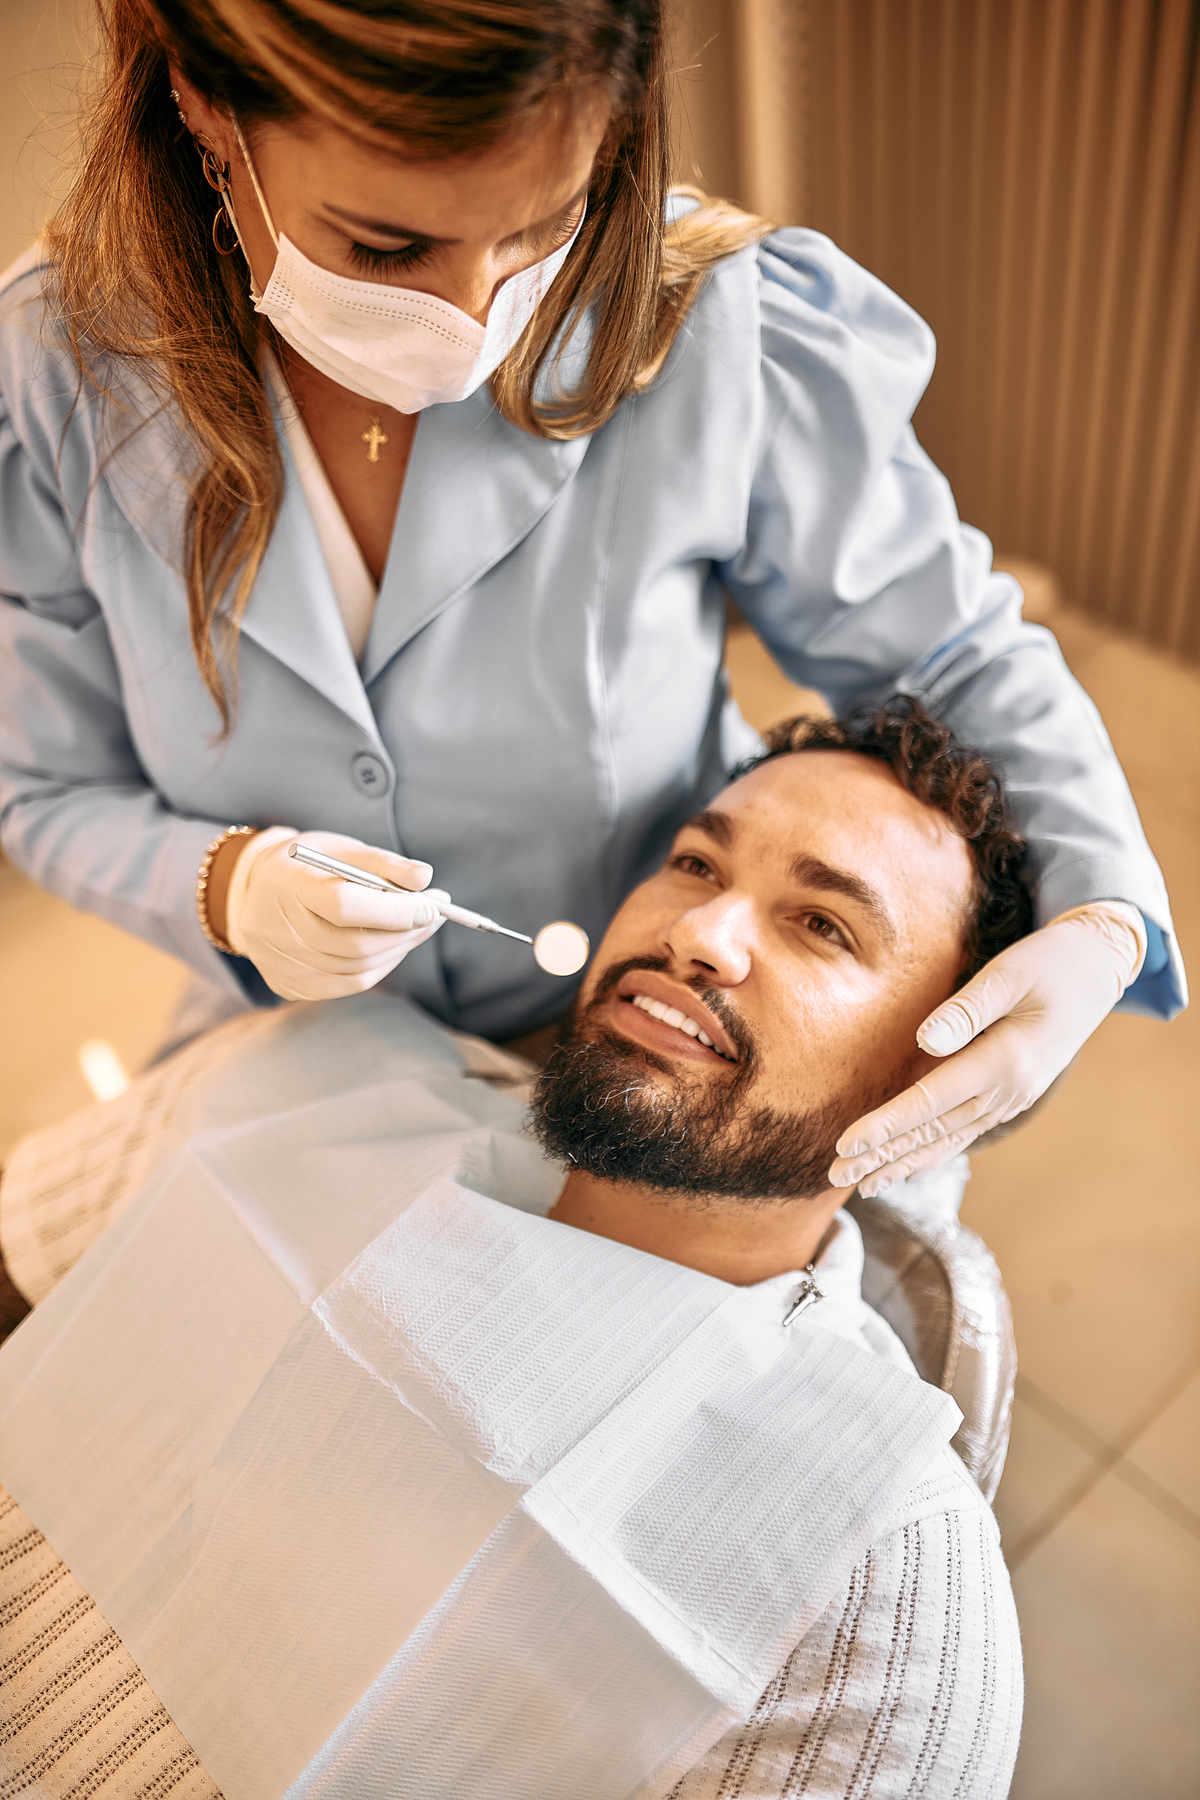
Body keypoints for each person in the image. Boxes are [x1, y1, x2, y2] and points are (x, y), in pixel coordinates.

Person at [0, 1, 1182, 1210]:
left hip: (666, 1028)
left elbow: (948, 649)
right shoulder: (51, 370)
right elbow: (41, 790)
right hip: (287, 1030)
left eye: (540, 230)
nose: (470, 327)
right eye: (386, 250)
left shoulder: (721, 325)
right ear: (204, 104)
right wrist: (226, 887)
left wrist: (1102, 914)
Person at [0, 700, 1024, 1798]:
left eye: (822, 925)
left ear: (939, 1093)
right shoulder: (308, 1071)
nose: (699, 934)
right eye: (694, 863)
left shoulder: (886, 1575)